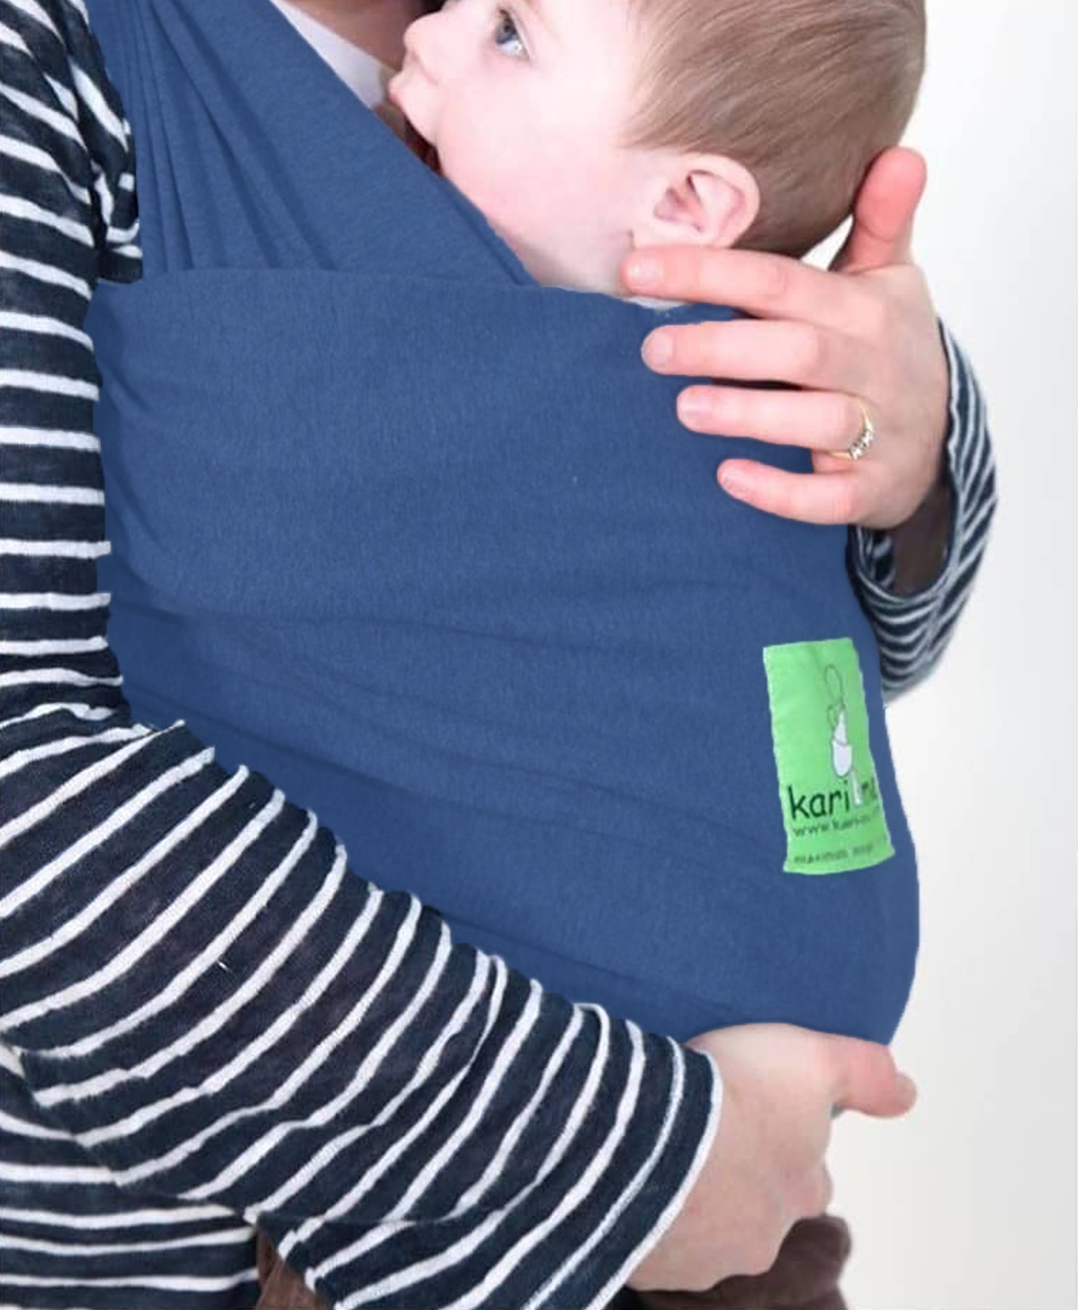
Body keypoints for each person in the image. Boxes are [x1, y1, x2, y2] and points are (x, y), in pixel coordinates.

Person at [0, 5, 994, 1310]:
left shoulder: (623, 43)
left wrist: (907, 441)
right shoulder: (68, 63)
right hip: (236, 1238)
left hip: (747, 1216)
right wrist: (643, 1157)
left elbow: (797, 645)